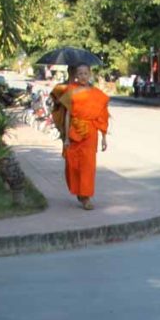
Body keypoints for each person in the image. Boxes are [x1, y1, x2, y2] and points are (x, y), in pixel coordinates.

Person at [59, 63, 110, 211]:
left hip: (91, 133)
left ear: (90, 75)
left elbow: (102, 116)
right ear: (75, 75)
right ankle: (79, 192)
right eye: (79, 73)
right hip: (74, 131)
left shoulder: (97, 95)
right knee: (73, 164)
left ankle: (86, 196)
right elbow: (68, 114)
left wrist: (104, 137)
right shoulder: (71, 91)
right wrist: (66, 137)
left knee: (88, 166)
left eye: (85, 73)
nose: (82, 76)